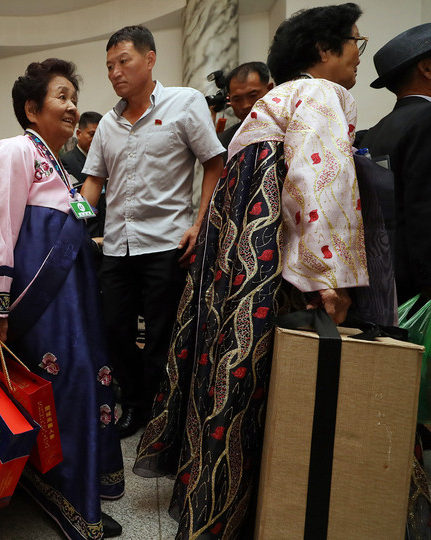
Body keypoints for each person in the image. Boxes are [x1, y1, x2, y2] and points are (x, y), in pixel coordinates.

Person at [134, 4, 373, 538]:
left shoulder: (269, 105)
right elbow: (320, 183)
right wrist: (329, 279)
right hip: (272, 267)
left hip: (237, 268)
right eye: (355, 41)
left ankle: (219, 502)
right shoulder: (318, 93)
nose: (359, 53)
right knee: (269, 386)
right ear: (324, 49)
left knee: (229, 373)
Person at [0, 58, 125, 539]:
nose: (72, 107)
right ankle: (62, 493)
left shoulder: (61, 167)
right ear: (32, 109)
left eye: (74, 98)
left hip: (71, 303)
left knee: (74, 385)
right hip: (35, 305)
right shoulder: (14, 151)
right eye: (61, 97)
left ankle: (67, 488)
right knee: (58, 389)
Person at [80, 26, 225, 439]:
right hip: (116, 245)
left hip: (166, 242)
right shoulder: (107, 124)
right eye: (109, 66)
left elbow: (213, 163)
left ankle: (161, 412)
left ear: (149, 59)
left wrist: (200, 223)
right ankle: (135, 404)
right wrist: (67, 218)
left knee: (162, 334)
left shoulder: (185, 102)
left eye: (123, 61)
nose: (115, 72)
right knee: (114, 328)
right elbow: (93, 184)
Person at [360, 23, 431, 304]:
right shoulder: (426, 120)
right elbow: (424, 212)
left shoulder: (375, 132)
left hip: (386, 286)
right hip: (420, 292)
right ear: (427, 68)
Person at [216, 62, 273, 149]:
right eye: (237, 99)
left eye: (253, 95)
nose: (245, 105)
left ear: (270, 89)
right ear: (229, 99)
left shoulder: (289, 129)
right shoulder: (224, 141)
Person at [60, 110, 101, 188]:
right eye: (92, 134)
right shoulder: (67, 162)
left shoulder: (103, 160)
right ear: (79, 134)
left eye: (100, 135)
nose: (96, 140)